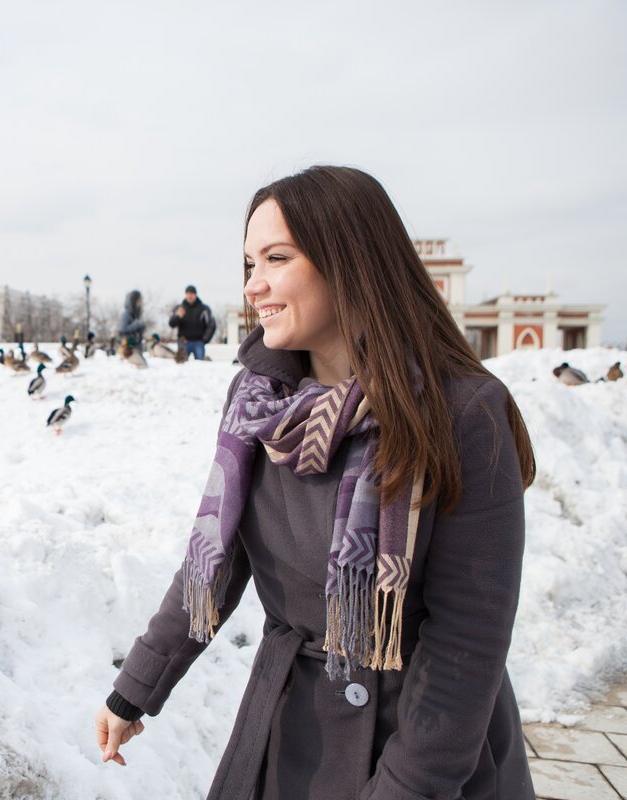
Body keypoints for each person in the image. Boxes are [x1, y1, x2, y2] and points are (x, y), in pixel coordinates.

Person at [94, 166, 537, 799]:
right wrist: (134, 689)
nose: (254, 285)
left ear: (349, 262)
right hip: (293, 737)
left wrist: (409, 787)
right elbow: (215, 564)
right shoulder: (257, 405)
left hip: (425, 750)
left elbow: (468, 642)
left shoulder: (462, 413)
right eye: (249, 263)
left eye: (277, 258)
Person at [168, 285, 217, 360]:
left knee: (200, 367)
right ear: (185, 295)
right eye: (188, 293)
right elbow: (171, 324)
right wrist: (178, 316)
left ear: (195, 294)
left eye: (192, 293)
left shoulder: (204, 309)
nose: (190, 295)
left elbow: (212, 324)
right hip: (183, 343)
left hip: (198, 343)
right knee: (181, 365)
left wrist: (204, 340)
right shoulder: (179, 308)